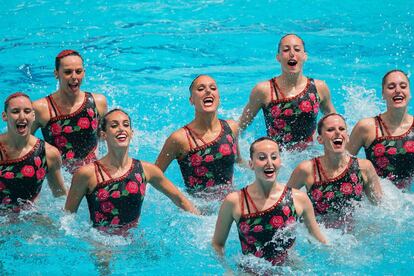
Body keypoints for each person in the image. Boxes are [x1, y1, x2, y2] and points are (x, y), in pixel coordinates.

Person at [65, 109, 199, 233]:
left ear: (132, 133)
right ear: (103, 134)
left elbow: (180, 200)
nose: (121, 129)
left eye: (125, 125)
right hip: (101, 243)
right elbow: (68, 218)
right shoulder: (87, 174)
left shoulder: (147, 170)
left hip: (133, 239)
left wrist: (202, 223)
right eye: (114, 126)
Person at [212, 137, 326, 267]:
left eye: (274, 157)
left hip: (289, 270)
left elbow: (317, 238)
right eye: (262, 158)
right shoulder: (235, 201)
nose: (269, 163)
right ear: (251, 164)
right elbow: (217, 244)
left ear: (280, 161)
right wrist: (227, 270)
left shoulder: (298, 199)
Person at [239, 34, 335, 151]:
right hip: (278, 159)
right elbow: (241, 126)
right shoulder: (264, 91)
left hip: (310, 153)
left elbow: (335, 121)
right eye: (286, 50)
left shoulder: (319, 88)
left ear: (305, 56)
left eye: (297, 49)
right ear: (278, 57)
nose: (292, 53)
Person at [287, 113, 383, 229]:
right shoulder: (307, 170)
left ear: (347, 137)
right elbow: (286, 205)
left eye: (341, 129)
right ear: (320, 139)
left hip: (354, 236)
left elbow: (380, 207)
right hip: (321, 237)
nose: (338, 132)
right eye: (330, 129)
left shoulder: (364, 167)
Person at [155, 75, 241, 200]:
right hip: (199, 213)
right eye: (201, 89)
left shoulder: (231, 127)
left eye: (213, 88)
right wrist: (180, 200)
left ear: (219, 98)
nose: (208, 91)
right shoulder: (180, 139)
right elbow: (154, 175)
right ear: (191, 100)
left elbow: (238, 160)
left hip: (231, 203)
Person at [31, 50, 108, 174]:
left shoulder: (98, 102)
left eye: (78, 71)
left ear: (84, 73)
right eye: (67, 72)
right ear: (56, 74)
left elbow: (104, 138)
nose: (74, 77)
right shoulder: (42, 108)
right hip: (61, 176)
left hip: (92, 172)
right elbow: (22, 144)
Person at [347, 70, 413, 190]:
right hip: (377, 201)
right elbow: (342, 163)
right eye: (391, 87)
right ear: (383, 94)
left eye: (403, 86)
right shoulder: (367, 127)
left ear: (410, 93)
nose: (398, 90)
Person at [0, 92, 66, 212]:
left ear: (34, 116)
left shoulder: (49, 153)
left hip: (30, 217)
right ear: (4, 116)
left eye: (27, 111)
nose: (22, 116)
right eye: (15, 112)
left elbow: (60, 194)